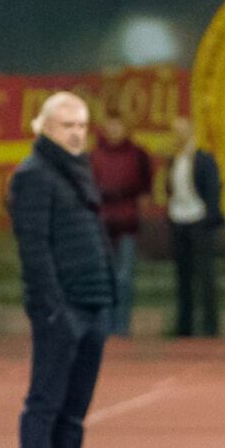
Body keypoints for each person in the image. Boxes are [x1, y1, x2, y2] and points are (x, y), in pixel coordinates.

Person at [7, 91, 118, 448]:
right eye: (67, 126)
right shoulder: (33, 175)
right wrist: (52, 307)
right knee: (45, 403)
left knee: (75, 409)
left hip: (93, 303)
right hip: (62, 309)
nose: (75, 134)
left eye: (81, 126)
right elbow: (34, 250)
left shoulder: (77, 171)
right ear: (46, 128)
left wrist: (107, 291)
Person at [91, 107, 153, 337]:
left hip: (127, 223)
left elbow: (146, 189)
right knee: (104, 278)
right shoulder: (94, 156)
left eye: (118, 125)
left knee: (124, 277)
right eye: (110, 124)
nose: (114, 129)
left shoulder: (139, 155)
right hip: (103, 225)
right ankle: (105, 326)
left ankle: (122, 326)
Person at [166, 116, 223, 337]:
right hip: (179, 220)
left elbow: (213, 190)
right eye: (175, 131)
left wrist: (209, 218)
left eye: (182, 130)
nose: (178, 135)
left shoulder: (203, 159)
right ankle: (184, 326)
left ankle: (209, 326)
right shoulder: (173, 160)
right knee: (183, 276)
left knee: (205, 276)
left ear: (190, 132)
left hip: (199, 220)